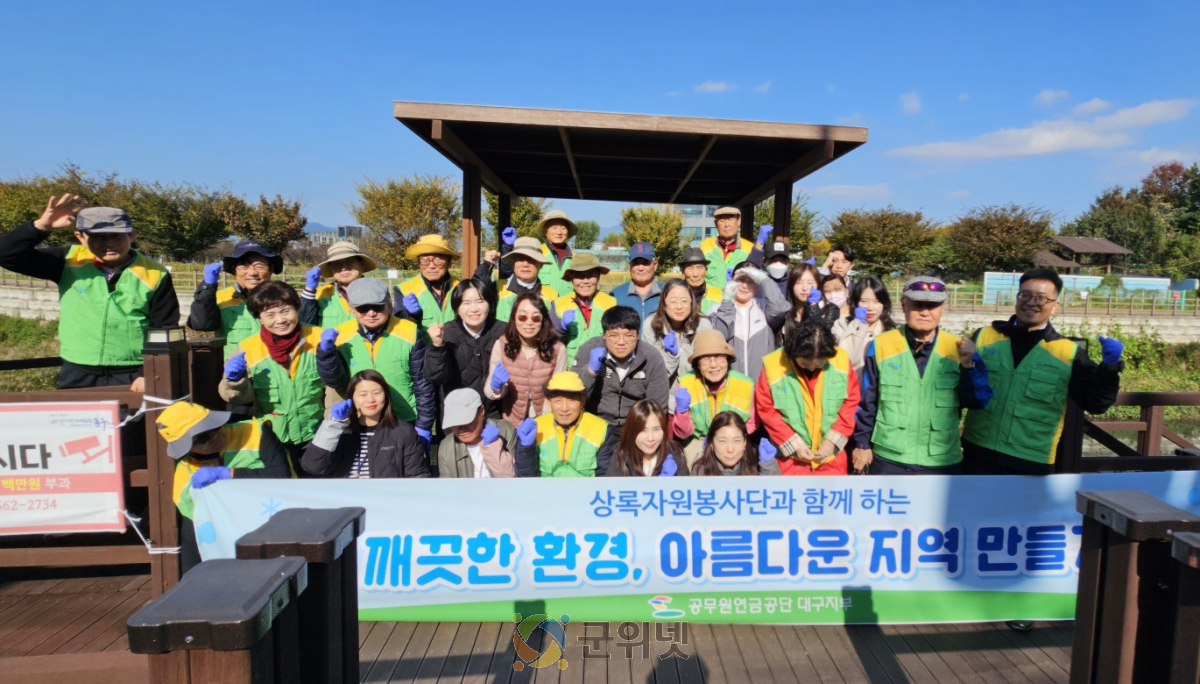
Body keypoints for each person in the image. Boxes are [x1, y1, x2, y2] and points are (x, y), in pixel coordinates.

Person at [0, 197, 180, 390]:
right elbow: (6, 254)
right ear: (81, 237)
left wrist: (149, 373)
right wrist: (41, 226)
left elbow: (164, 328)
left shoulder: (155, 273)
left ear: (132, 235)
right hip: (77, 373)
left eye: (116, 236)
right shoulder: (68, 261)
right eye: (98, 237)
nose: (108, 243)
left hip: (133, 374)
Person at [962, 268, 1124, 475]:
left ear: (1055, 306)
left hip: (1031, 461)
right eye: (1025, 295)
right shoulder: (984, 336)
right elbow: (961, 386)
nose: (1031, 302)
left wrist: (1110, 367)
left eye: (1041, 298)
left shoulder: (1068, 352)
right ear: (1017, 298)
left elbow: (1096, 403)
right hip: (977, 452)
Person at [851, 276, 993, 475]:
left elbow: (978, 401)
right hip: (889, 457)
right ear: (904, 305)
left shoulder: (959, 348)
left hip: (941, 459)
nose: (925, 312)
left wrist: (969, 366)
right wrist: (862, 444)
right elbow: (867, 401)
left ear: (942, 308)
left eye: (932, 306)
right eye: (918, 304)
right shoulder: (881, 344)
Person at [156, 401, 290, 572]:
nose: (216, 435)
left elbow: (281, 475)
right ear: (187, 448)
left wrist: (229, 473)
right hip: (229, 532)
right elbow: (195, 522)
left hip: (274, 520)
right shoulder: (185, 473)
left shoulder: (256, 432)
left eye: (215, 425)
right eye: (203, 438)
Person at [218, 281, 325, 474]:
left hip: (316, 435)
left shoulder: (319, 339)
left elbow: (335, 388)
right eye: (270, 315)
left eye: (286, 311)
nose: (280, 320)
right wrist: (234, 381)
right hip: (272, 440)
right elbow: (235, 398)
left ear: (297, 308)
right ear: (259, 318)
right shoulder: (246, 349)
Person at [316, 278, 436, 449]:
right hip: (361, 418)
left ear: (389, 305)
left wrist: (424, 424)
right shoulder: (341, 336)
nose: (371, 313)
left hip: (403, 417)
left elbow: (422, 383)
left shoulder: (409, 331)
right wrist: (326, 354)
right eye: (363, 308)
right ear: (352, 309)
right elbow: (336, 381)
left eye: (377, 306)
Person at [756, 319, 861, 476]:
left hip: (830, 460)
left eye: (819, 364)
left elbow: (850, 403)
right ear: (793, 352)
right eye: (805, 364)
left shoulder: (842, 361)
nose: (811, 368)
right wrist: (794, 444)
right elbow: (766, 409)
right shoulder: (773, 364)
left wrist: (832, 441)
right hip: (789, 461)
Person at [301, 369, 431, 479]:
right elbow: (313, 466)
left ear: (386, 395)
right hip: (344, 498)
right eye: (363, 394)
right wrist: (333, 425)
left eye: (377, 393)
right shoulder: (340, 430)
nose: (371, 400)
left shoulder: (403, 432)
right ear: (352, 397)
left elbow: (417, 475)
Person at [572, 306, 670, 440]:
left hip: (636, 426)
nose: (621, 342)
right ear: (604, 335)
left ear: (637, 336)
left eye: (629, 336)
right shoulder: (588, 350)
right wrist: (590, 371)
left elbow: (658, 405)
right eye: (613, 336)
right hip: (595, 424)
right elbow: (574, 396)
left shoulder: (651, 358)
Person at [669, 330, 757, 466]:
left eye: (720, 357)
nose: (713, 364)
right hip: (698, 442)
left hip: (732, 442)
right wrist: (682, 412)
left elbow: (752, 423)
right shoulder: (685, 383)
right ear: (697, 364)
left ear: (728, 360)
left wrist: (726, 440)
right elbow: (682, 434)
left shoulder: (746, 384)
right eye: (705, 358)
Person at [483, 292, 568, 428]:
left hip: (546, 421)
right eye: (522, 317)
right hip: (512, 421)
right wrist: (497, 388)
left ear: (543, 320)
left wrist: (543, 419)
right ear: (514, 319)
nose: (529, 323)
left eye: (535, 318)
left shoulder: (557, 348)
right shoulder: (502, 345)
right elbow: (489, 390)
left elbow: (558, 390)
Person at [422, 278, 505, 412]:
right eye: (466, 303)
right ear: (457, 308)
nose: (474, 309)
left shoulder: (503, 331)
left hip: (495, 412)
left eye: (480, 301)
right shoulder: (447, 333)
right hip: (458, 414)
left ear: (489, 304)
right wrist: (437, 346)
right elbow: (435, 377)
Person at [190, 238, 283, 354]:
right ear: (234, 270)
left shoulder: (284, 298)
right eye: (244, 266)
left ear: (271, 269)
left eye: (259, 266)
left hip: (275, 364)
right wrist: (207, 287)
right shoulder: (221, 298)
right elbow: (201, 324)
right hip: (235, 364)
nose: (252, 273)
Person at [520, 371, 612, 477]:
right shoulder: (536, 428)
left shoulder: (601, 429)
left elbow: (605, 477)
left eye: (571, 400)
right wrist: (525, 448)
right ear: (549, 402)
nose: (564, 408)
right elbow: (526, 477)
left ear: (582, 401)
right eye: (558, 401)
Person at [710, 262, 788, 381]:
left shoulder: (764, 307)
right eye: (741, 280)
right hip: (731, 385)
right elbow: (721, 334)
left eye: (751, 281)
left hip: (763, 384)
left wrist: (764, 279)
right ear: (731, 280)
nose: (745, 286)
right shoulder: (716, 309)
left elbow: (781, 308)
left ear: (758, 285)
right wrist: (726, 302)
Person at [437, 388, 526, 478]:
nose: (462, 428)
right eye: (455, 422)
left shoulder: (505, 432)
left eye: (466, 421)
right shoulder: (446, 448)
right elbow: (446, 484)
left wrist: (494, 446)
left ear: (482, 411)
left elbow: (515, 477)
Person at [548, 253, 617, 367]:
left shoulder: (611, 304)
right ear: (571, 277)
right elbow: (548, 341)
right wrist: (561, 327)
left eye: (590, 275)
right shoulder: (559, 304)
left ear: (598, 276)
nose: (585, 281)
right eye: (579, 276)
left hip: (603, 370)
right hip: (569, 371)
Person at [642, 279, 713, 385]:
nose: (679, 307)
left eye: (684, 301)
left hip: (697, 387)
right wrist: (671, 355)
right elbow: (653, 373)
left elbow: (709, 364)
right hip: (664, 389)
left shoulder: (703, 325)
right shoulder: (651, 325)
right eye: (673, 301)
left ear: (691, 302)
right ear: (663, 304)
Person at [299, 241, 378, 329]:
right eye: (337, 263)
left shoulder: (377, 292)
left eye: (349, 262)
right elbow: (305, 324)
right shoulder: (321, 294)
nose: (343, 268)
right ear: (331, 268)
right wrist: (309, 292)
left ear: (362, 264)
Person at [605, 400, 688, 477]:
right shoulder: (620, 457)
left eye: (656, 429)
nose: (650, 438)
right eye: (643, 430)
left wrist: (672, 483)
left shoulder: (675, 456)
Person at [833, 277, 898, 374]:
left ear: (884, 303)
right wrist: (858, 326)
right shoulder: (841, 326)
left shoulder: (891, 331)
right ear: (855, 302)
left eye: (877, 301)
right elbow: (847, 361)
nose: (870, 307)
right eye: (864, 301)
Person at [394, 234, 461, 329]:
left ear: (449, 261)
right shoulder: (403, 289)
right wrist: (411, 315)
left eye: (438, 259)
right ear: (419, 263)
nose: (431, 266)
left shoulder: (461, 287)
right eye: (425, 260)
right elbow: (399, 330)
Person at [689, 412, 781, 476]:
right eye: (722, 441)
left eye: (737, 441)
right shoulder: (700, 471)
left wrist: (768, 466)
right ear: (711, 443)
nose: (730, 450)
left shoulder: (756, 466)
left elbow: (774, 493)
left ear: (745, 442)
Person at [495, 236, 558, 322]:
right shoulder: (497, 288)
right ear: (513, 263)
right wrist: (486, 265)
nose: (525, 264)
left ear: (541, 264)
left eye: (531, 259)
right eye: (520, 259)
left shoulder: (551, 294)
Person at [700, 206, 754, 290]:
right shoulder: (705, 245)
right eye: (722, 220)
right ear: (716, 224)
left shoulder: (750, 248)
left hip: (737, 297)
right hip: (710, 298)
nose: (726, 225)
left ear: (738, 221)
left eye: (730, 219)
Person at [609, 241, 661, 321]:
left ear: (655, 265)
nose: (640, 268)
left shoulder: (667, 293)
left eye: (645, 263)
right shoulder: (615, 295)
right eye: (636, 263)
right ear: (629, 266)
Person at [534, 210, 579, 297]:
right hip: (542, 304)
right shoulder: (537, 253)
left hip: (568, 305)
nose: (559, 232)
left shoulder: (575, 258)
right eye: (554, 227)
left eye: (563, 228)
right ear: (546, 231)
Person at [781, 262, 824, 338]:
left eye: (810, 283)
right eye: (798, 283)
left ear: (818, 285)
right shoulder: (783, 313)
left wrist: (813, 307)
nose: (804, 288)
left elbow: (821, 336)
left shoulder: (827, 310)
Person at [677, 246, 723, 314]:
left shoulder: (718, 296)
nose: (695, 274)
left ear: (706, 271)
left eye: (699, 268)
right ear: (683, 272)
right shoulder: (674, 295)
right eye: (690, 268)